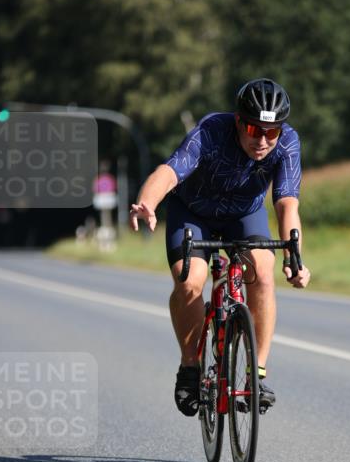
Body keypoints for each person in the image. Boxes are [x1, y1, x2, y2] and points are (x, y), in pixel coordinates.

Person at [129, 78, 311, 416]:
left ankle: (256, 375)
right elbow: (169, 172)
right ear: (239, 121)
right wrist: (148, 203)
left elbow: (287, 203)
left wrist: (294, 256)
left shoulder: (287, 142)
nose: (262, 140)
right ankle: (190, 368)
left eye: (271, 132)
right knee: (190, 281)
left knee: (263, 272)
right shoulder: (212, 131)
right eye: (254, 129)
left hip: (243, 215)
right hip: (193, 212)